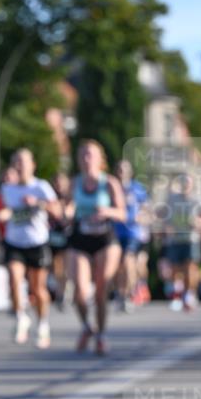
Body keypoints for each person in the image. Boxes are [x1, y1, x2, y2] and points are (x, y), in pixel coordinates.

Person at [66, 140, 126, 355]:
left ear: (100, 159)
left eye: (90, 155)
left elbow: (123, 214)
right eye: (82, 154)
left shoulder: (109, 183)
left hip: (105, 239)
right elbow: (67, 206)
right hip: (81, 238)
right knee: (80, 292)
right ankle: (86, 327)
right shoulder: (75, 183)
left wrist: (108, 212)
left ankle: (101, 334)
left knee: (101, 289)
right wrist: (67, 212)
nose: (86, 159)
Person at [0, 148, 58, 348]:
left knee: (38, 288)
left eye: (24, 162)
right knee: (14, 280)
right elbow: (5, 211)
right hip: (14, 242)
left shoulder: (41, 187)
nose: (20, 166)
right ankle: (21, 317)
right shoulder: (8, 189)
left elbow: (58, 210)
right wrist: (3, 215)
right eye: (17, 162)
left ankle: (42, 323)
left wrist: (39, 203)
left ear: (32, 165)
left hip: (37, 242)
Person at [164, 173, 201, 311]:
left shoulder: (198, 200)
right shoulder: (173, 198)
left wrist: (200, 222)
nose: (185, 185)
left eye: (188, 182)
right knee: (174, 269)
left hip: (191, 238)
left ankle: (190, 294)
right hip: (175, 238)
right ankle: (177, 296)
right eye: (183, 182)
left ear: (192, 185)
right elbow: (165, 215)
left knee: (190, 268)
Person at [114, 159, 149, 312]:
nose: (122, 173)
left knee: (128, 261)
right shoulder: (112, 188)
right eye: (120, 169)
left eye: (125, 169)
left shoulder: (137, 188)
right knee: (118, 267)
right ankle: (121, 294)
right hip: (115, 231)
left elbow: (147, 208)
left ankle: (129, 294)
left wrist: (140, 216)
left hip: (132, 232)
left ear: (130, 172)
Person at [48, 171, 72, 309]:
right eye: (56, 182)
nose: (59, 185)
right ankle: (60, 292)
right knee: (56, 266)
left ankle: (65, 292)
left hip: (67, 235)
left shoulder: (70, 197)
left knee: (66, 266)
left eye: (61, 182)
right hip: (54, 235)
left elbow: (68, 213)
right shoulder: (50, 197)